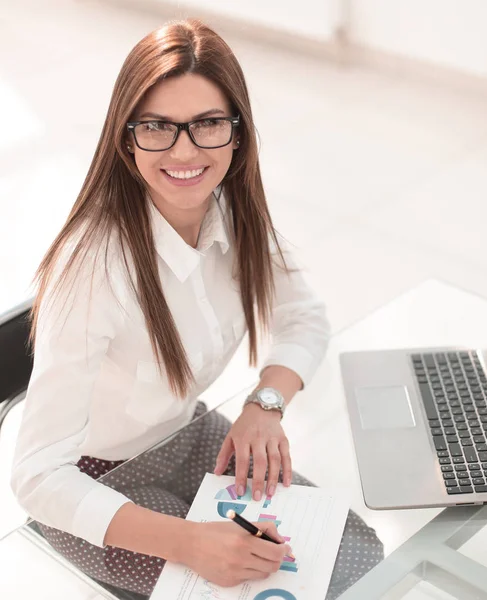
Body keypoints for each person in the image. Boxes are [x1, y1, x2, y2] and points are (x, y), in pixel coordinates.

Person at [10, 18, 383, 598]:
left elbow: (304, 318)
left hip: (184, 436)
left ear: (238, 133)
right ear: (125, 136)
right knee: (247, 588)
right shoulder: (93, 270)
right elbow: (36, 476)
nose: (184, 151)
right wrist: (191, 542)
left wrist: (265, 404)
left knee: (352, 553)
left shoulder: (234, 212)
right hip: (91, 485)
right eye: (158, 126)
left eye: (207, 124)